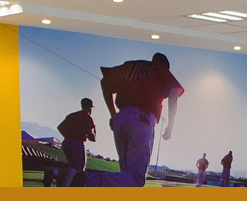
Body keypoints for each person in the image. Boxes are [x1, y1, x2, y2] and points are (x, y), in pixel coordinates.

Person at [78, 52, 183, 187]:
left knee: (126, 175)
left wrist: (113, 114)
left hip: (122, 117)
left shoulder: (132, 65)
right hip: (143, 118)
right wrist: (170, 125)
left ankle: (79, 180)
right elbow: (173, 93)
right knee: (136, 178)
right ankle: (84, 180)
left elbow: (105, 82)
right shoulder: (161, 69)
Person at [50, 97, 96, 187]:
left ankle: (58, 176)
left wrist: (68, 136)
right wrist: (94, 131)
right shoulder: (87, 118)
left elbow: (60, 127)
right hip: (78, 143)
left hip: (67, 142)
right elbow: (92, 138)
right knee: (79, 170)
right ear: (89, 107)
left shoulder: (72, 116)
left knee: (71, 169)